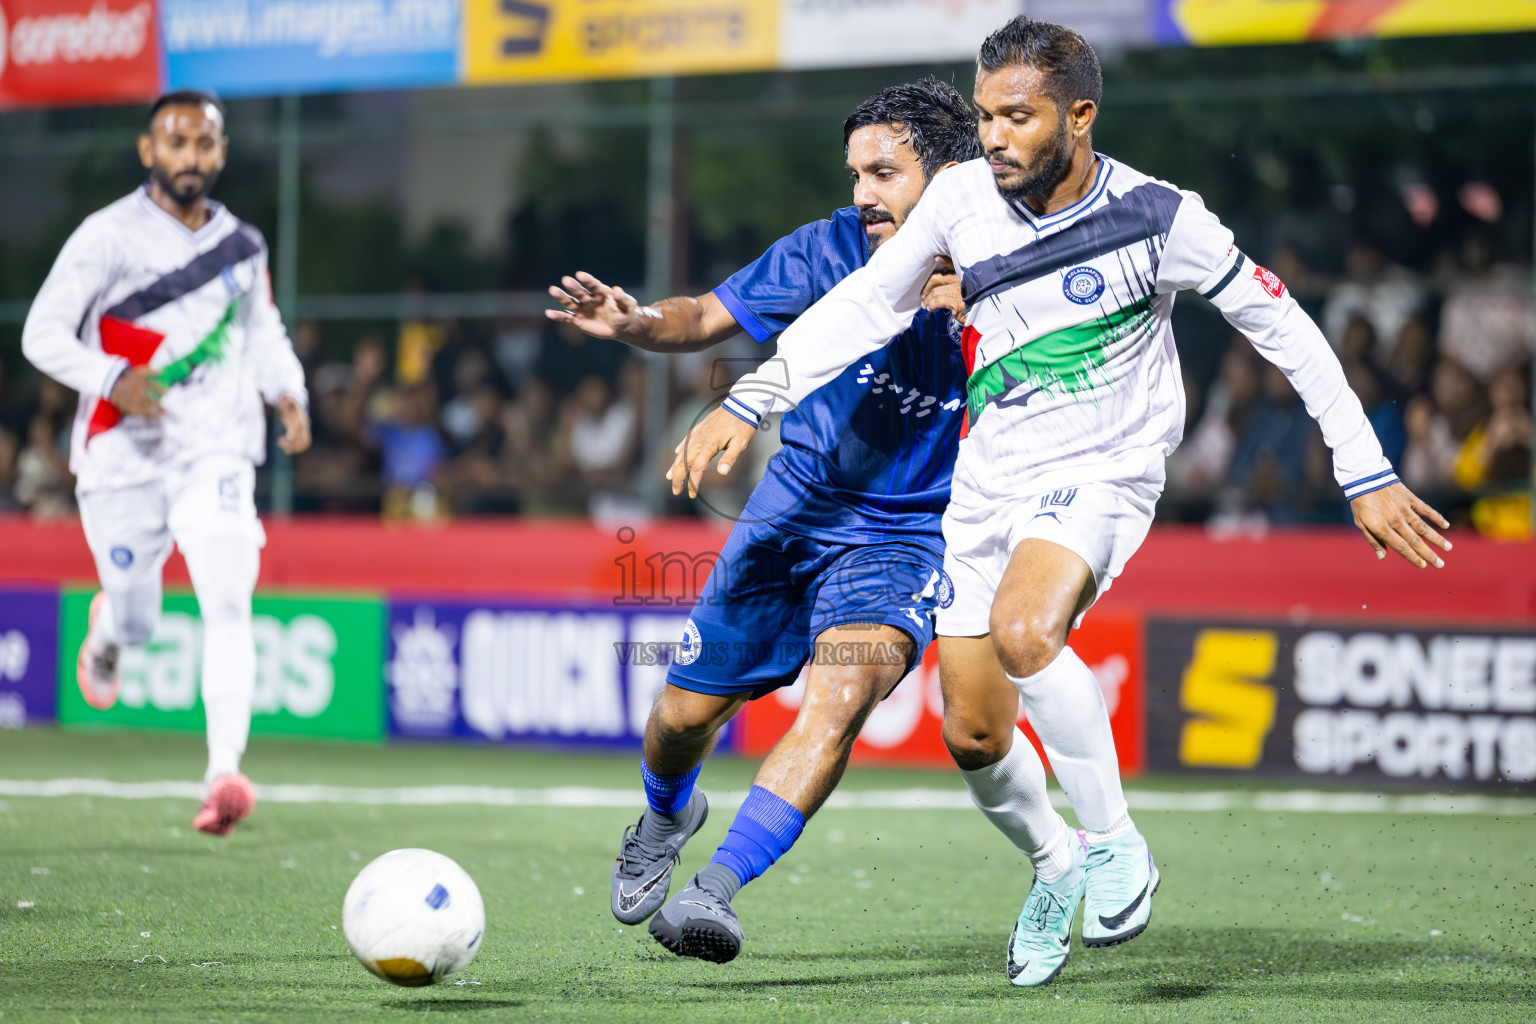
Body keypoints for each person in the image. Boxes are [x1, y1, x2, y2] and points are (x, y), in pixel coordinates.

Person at [670, 17, 1452, 987]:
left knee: (1026, 629)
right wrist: (754, 396)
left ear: (1079, 116)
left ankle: (1115, 839)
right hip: (989, 480)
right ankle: (1057, 862)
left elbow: (1283, 326)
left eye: (1019, 116)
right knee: (974, 732)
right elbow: (871, 303)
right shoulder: (961, 197)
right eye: (986, 113)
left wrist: (1364, 468)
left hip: (1107, 465)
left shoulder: (1161, 218)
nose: (994, 135)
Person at [547, 78, 980, 964]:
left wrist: (985, 314)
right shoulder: (827, 248)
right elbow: (704, 316)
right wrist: (635, 322)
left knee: (838, 700)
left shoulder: (1009, 270)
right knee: (677, 718)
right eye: (856, 172)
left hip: (906, 536)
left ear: (948, 177)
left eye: (885, 173)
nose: (863, 193)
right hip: (793, 512)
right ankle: (669, 817)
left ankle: (718, 889)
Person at [21, 90, 311, 837]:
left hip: (215, 449)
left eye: (204, 144)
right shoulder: (107, 236)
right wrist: (113, 378)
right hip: (122, 457)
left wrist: (288, 390)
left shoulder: (243, 245)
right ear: (149, 150)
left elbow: (262, 328)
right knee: (140, 618)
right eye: (175, 143)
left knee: (227, 601)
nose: (190, 157)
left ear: (220, 152)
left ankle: (224, 774)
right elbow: (41, 334)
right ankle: (111, 628)